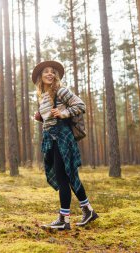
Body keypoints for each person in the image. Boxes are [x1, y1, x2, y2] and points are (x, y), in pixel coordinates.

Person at [32, 60, 98, 230]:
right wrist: (41, 116)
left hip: (62, 137)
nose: (49, 74)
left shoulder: (61, 91)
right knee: (68, 176)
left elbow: (80, 105)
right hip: (52, 138)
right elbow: (50, 118)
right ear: (40, 76)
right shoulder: (44, 96)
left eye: (52, 72)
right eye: (46, 71)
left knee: (63, 177)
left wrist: (64, 113)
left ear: (56, 76)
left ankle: (64, 220)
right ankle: (88, 210)